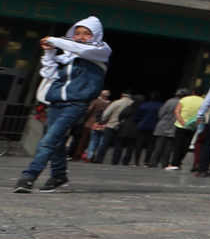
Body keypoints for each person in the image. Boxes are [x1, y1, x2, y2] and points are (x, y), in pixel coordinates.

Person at [15, 17, 110, 194]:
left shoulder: (100, 50)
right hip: (57, 102)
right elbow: (49, 72)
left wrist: (53, 40)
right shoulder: (68, 56)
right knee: (56, 140)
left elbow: (81, 48)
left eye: (87, 33)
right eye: (78, 33)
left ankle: (28, 177)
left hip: (76, 104)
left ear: (96, 34)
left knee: (48, 141)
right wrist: (50, 53)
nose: (81, 37)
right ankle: (59, 175)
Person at [168, 86, 203, 171]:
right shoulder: (203, 101)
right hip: (192, 126)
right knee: (186, 145)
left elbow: (176, 111)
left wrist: (181, 121)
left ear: (193, 92)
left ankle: (175, 163)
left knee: (177, 145)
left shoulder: (184, 99)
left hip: (181, 125)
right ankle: (179, 161)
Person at [150, 89, 185, 169]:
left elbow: (161, 113)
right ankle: (165, 163)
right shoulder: (183, 103)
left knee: (159, 146)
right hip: (174, 126)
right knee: (169, 147)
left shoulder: (169, 101)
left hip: (163, 125)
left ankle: (153, 162)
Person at [90, 91, 127, 163]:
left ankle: (99, 159)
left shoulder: (117, 102)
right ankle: (115, 160)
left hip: (111, 124)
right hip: (123, 126)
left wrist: (104, 120)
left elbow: (107, 113)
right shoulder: (131, 103)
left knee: (104, 143)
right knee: (119, 144)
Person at [110, 94, 146, 165]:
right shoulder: (142, 109)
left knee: (119, 145)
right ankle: (126, 161)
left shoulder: (130, 107)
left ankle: (115, 160)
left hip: (125, 127)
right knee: (131, 146)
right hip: (135, 128)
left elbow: (121, 115)